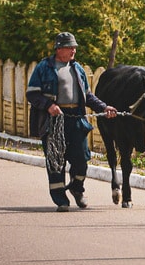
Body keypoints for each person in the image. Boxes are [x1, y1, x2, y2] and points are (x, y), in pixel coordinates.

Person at [26, 31, 116, 211]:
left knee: (81, 158)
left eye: (74, 47)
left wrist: (104, 107)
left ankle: (77, 188)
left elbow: (88, 96)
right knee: (56, 160)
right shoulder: (44, 67)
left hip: (76, 118)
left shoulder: (77, 68)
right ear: (59, 49)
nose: (74, 50)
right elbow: (32, 93)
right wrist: (48, 105)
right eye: (70, 47)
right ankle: (61, 200)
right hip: (53, 121)